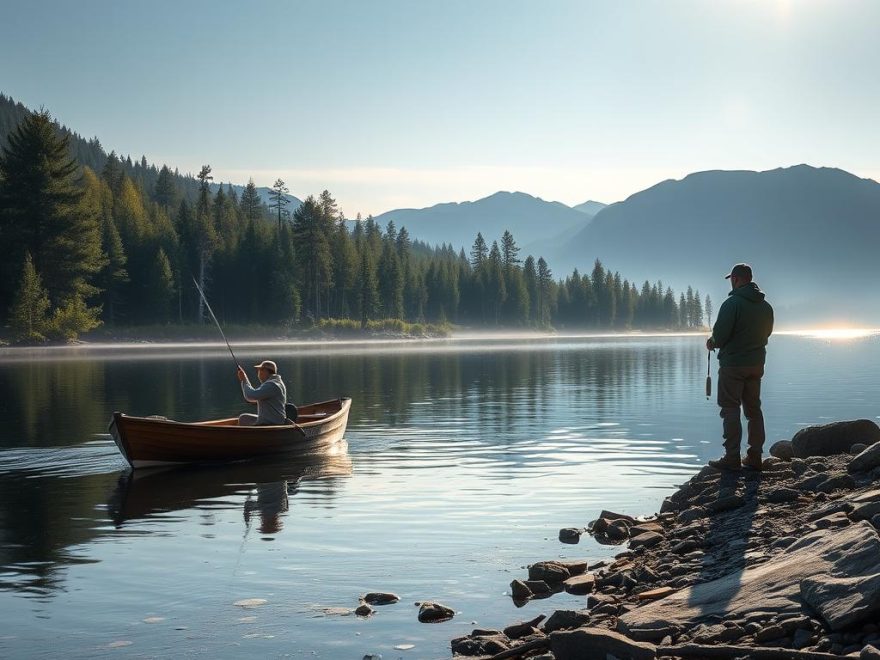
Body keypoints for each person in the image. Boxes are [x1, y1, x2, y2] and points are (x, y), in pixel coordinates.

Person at [705, 263, 774, 471]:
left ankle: (732, 457)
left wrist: (712, 342)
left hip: (733, 365)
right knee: (753, 410)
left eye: (731, 279)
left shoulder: (732, 304)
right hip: (756, 364)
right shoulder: (766, 306)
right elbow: (767, 333)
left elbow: (721, 335)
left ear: (735, 279)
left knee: (730, 408)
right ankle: (755, 456)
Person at [236, 360, 288, 426]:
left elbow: (250, 396)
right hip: (275, 420)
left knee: (243, 418)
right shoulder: (276, 382)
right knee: (244, 418)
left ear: (265, 371)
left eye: (260, 370)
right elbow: (254, 397)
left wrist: (244, 379)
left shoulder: (271, 385)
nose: (258, 373)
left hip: (271, 423)